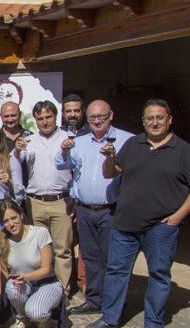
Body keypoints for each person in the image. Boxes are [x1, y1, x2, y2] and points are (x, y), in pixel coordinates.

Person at [87, 99, 190, 328]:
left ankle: (153, 321)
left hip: (160, 226)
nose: (155, 122)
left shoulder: (182, 149)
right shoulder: (134, 144)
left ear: (169, 120)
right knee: (116, 271)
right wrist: (110, 158)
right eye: (149, 118)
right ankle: (110, 316)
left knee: (159, 274)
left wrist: (179, 216)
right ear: (143, 122)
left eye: (159, 117)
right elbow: (111, 173)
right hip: (125, 223)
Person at [55, 100, 132, 315]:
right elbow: (61, 164)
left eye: (101, 116)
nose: (97, 121)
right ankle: (94, 300)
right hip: (85, 209)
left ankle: (114, 303)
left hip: (111, 209)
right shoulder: (79, 142)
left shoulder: (127, 140)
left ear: (111, 115)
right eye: (92, 118)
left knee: (113, 259)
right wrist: (64, 150)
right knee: (90, 257)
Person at [15, 101, 74, 296]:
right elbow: (16, 162)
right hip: (35, 202)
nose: (44, 121)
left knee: (62, 250)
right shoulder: (28, 140)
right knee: (37, 249)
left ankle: (63, 291)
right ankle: (39, 289)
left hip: (61, 201)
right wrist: (17, 149)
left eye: (48, 117)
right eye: (40, 118)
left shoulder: (68, 138)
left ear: (56, 117)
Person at [0, 199, 66, 328]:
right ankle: (22, 317)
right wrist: (0, 293)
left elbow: (46, 269)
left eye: (14, 218)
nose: (11, 224)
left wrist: (26, 277)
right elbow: (2, 269)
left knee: (36, 311)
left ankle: (42, 319)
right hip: (21, 282)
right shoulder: (1, 239)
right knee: (11, 288)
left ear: (21, 215)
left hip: (45, 282)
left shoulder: (40, 233)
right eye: (6, 221)